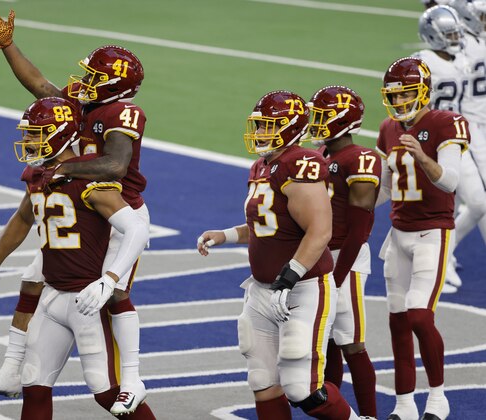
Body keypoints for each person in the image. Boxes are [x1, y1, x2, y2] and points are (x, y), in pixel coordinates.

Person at [0, 10, 152, 415]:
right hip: (79, 205)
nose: (84, 83)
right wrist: (7, 45)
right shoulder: (83, 108)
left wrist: (61, 169)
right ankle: (12, 369)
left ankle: (133, 378)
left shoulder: (121, 114)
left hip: (119, 213)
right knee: (35, 276)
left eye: (94, 77)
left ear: (116, 84)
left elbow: (116, 165)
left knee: (114, 290)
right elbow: (40, 86)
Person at [197, 90, 359, 420]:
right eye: (258, 126)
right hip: (262, 288)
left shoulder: (301, 163)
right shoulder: (261, 165)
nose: (259, 133)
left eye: (267, 126)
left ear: (291, 126)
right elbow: (265, 225)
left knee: (302, 388)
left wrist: (290, 274)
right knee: (262, 380)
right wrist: (226, 235)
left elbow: (320, 231)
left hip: (303, 287)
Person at [377, 57, 469, 420]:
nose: (399, 103)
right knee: (397, 320)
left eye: (406, 95)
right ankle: (403, 404)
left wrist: (421, 156)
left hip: (433, 232)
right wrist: (345, 194)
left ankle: (437, 396)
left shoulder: (446, 123)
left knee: (418, 315)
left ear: (425, 91)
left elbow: (450, 182)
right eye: (394, 96)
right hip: (398, 233)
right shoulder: (388, 128)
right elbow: (386, 190)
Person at [307, 85, 379, 419]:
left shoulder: (361, 158)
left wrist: (336, 276)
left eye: (321, 115)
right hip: (321, 255)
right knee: (327, 342)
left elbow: (359, 229)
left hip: (343, 259)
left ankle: (369, 414)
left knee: (351, 342)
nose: (314, 121)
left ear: (343, 120)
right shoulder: (322, 154)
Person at [416, 4, 486, 292]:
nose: (456, 38)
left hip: (458, 138)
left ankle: (443, 256)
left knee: (476, 202)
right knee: (433, 208)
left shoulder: (460, 58)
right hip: (433, 142)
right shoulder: (422, 60)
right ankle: (434, 264)